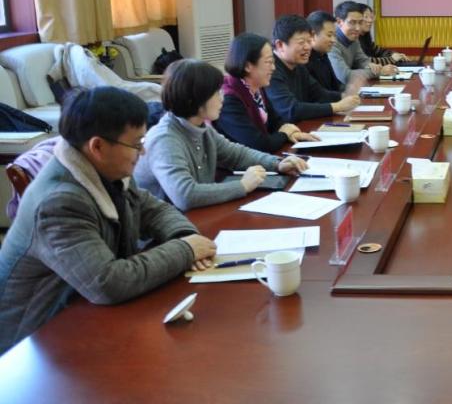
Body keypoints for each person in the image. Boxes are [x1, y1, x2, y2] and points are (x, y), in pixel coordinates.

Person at [0, 87, 217, 354]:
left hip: (81, 315)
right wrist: (186, 250)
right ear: (98, 146)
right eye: (136, 144)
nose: (143, 151)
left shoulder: (107, 168)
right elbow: (107, 283)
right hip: (31, 343)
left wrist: (183, 235)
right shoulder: (57, 202)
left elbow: (154, 209)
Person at [134, 59, 308, 211]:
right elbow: (185, 195)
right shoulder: (165, 139)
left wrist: (277, 164)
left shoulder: (200, 127)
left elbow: (236, 154)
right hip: (167, 230)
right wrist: (242, 185)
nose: (222, 98)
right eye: (216, 93)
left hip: (196, 216)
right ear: (195, 99)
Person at [216, 33, 321, 153]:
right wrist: (285, 134)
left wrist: (293, 132)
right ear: (248, 66)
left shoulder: (256, 87)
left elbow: (275, 121)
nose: (273, 68)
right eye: (268, 62)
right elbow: (259, 144)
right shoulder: (229, 99)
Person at [266, 14, 361, 123]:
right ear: (280, 45)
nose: (308, 47)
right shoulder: (270, 70)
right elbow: (291, 109)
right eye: (301, 42)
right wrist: (337, 106)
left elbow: (319, 94)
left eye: (309, 41)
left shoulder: (299, 66)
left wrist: (346, 96)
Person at [329, 1, 397, 85]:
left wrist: (372, 66)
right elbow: (345, 76)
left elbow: (362, 60)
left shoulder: (353, 38)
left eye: (360, 22)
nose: (358, 28)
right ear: (339, 22)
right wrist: (379, 71)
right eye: (352, 22)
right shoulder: (331, 43)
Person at [306, 10, 341, 92]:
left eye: (334, 35)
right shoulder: (305, 60)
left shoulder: (323, 54)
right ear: (313, 35)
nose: (333, 40)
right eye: (329, 35)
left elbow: (335, 85)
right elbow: (318, 94)